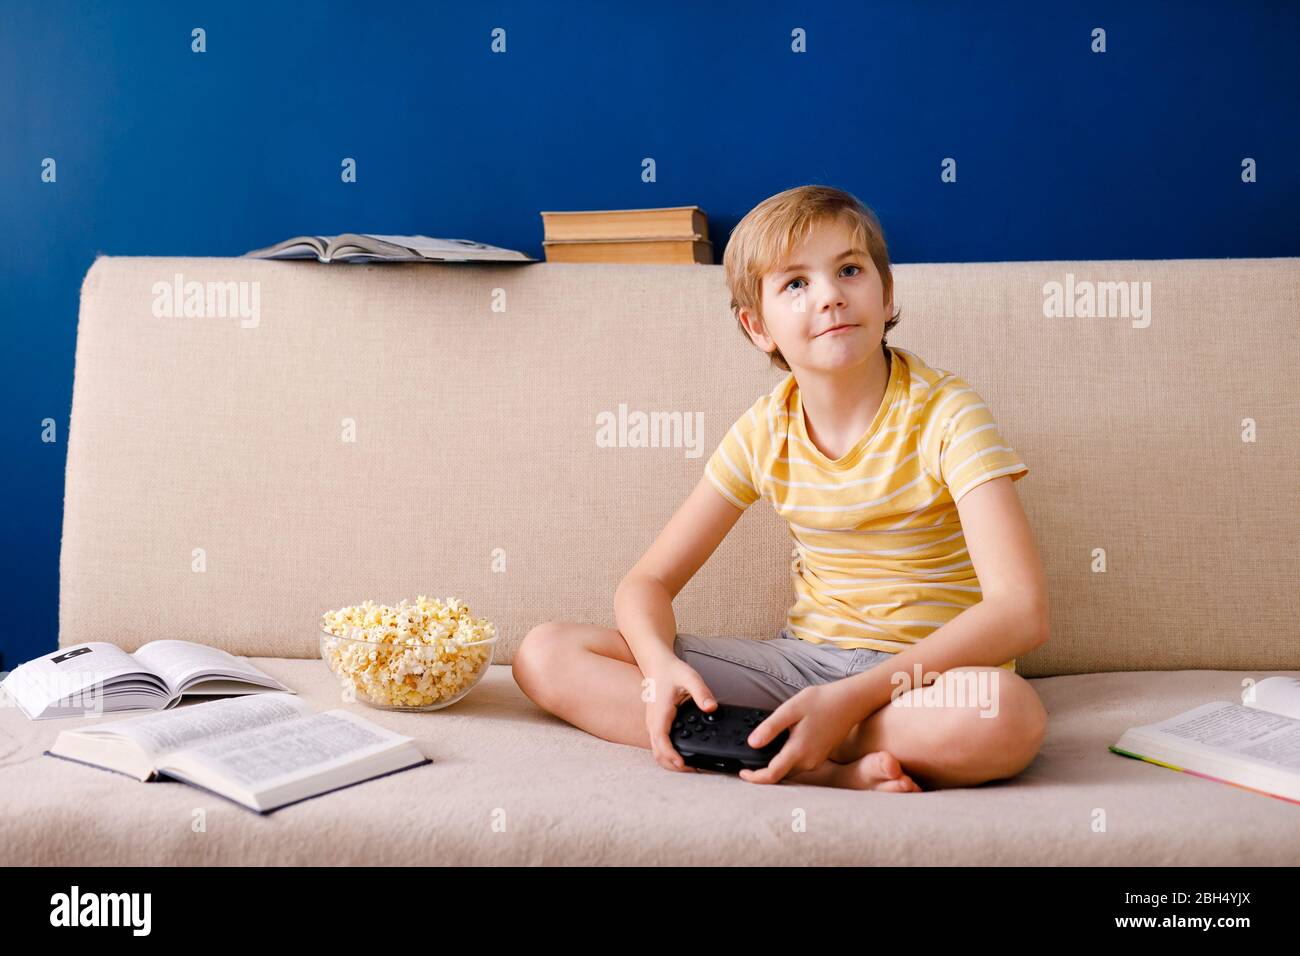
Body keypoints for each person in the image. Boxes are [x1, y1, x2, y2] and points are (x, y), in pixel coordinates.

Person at [514, 185, 1049, 791]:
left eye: (849, 269)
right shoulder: (765, 429)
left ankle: (792, 742)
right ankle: (827, 764)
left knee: (1007, 715)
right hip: (801, 667)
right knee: (545, 654)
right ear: (758, 325)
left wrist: (852, 700)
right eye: (795, 283)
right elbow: (648, 583)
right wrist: (659, 669)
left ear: (887, 292)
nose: (830, 296)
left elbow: (1021, 613)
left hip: (919, 680)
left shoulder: (949, 414)